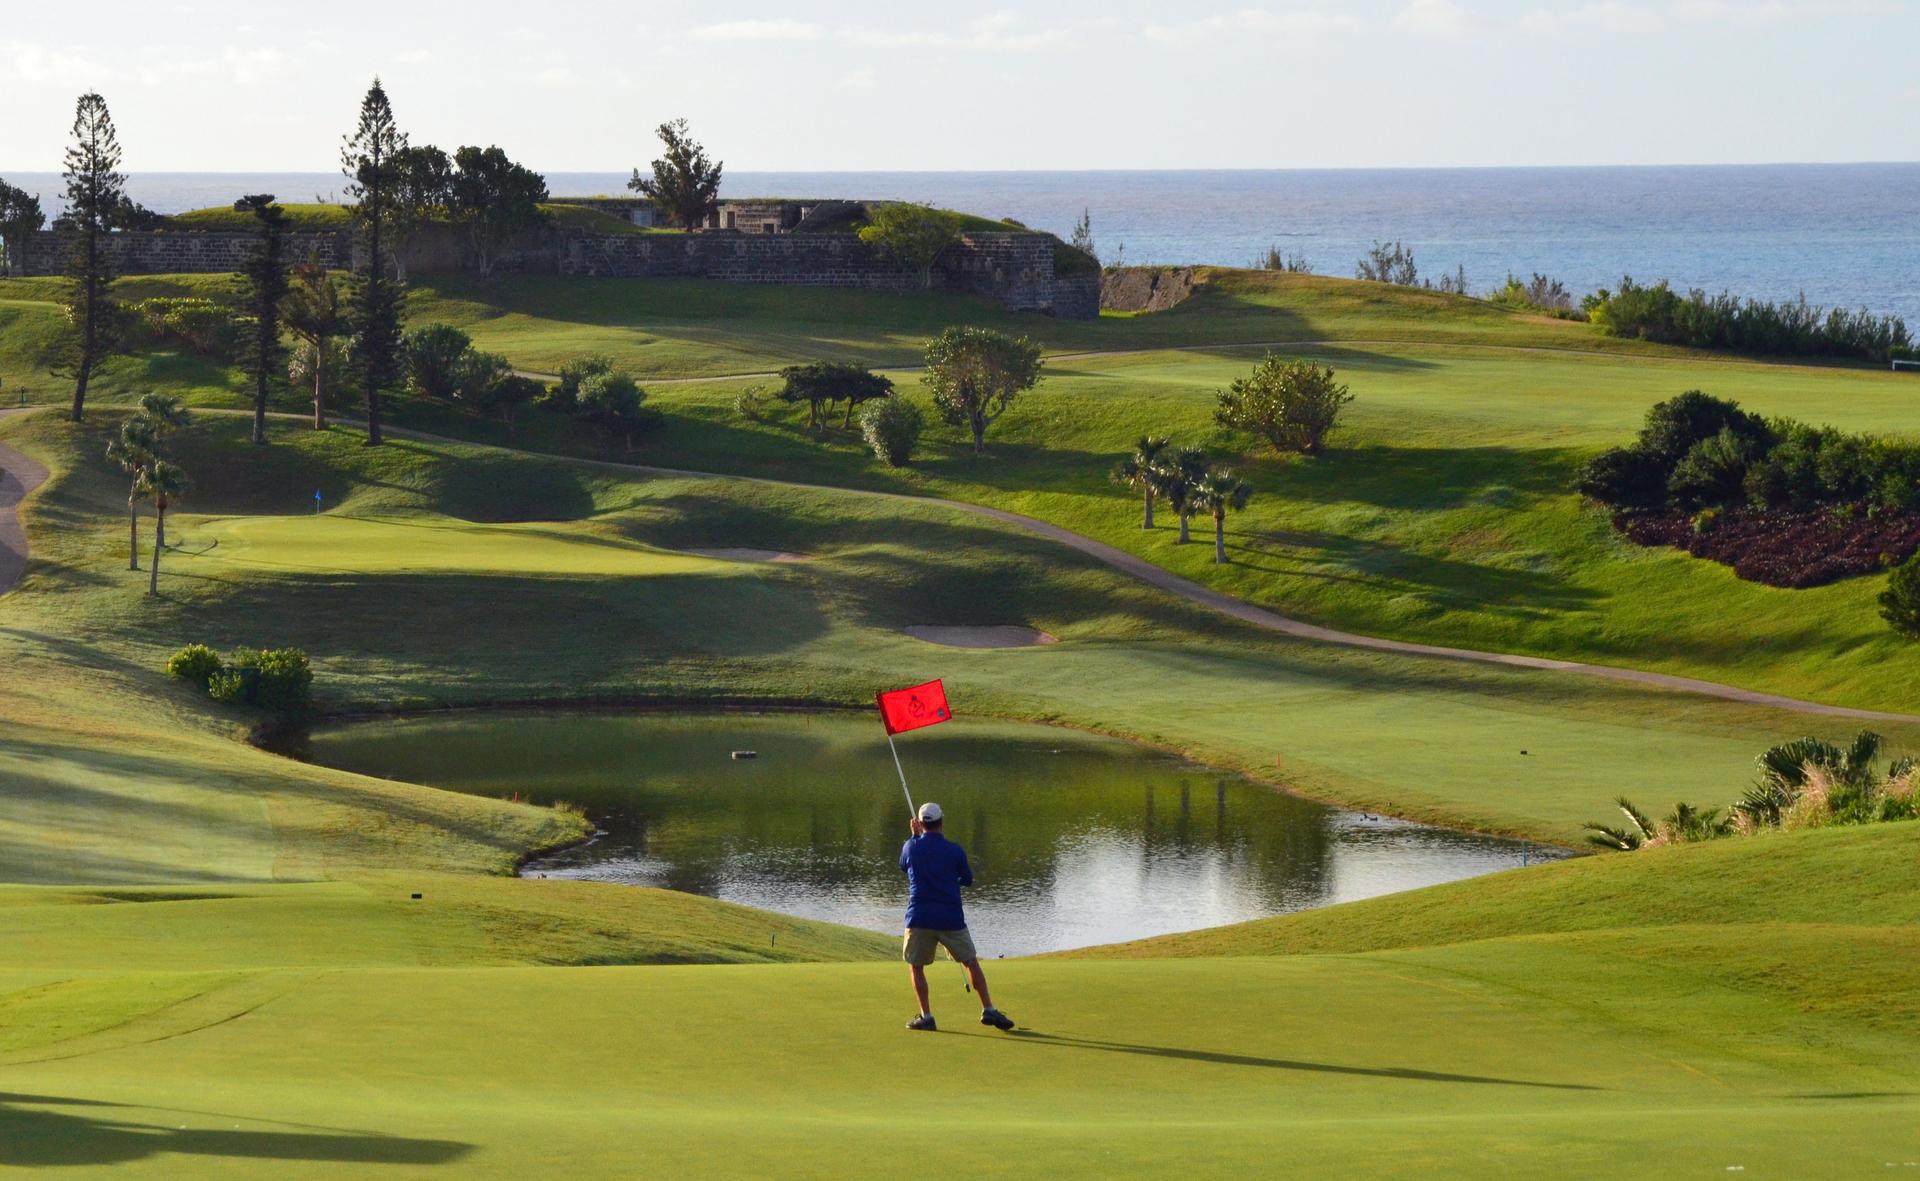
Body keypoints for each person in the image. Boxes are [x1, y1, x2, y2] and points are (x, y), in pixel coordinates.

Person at [899, 801, 1014, 1032]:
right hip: (950, 917)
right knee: (971, 961)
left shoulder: (910, 847)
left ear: (920, 824)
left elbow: (904, 866)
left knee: (916, 966)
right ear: (942, 822)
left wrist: (914, 837)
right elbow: (968, 879)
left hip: (919, 917)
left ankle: (927, 1016)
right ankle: (988, 1008)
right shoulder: (954, 850)